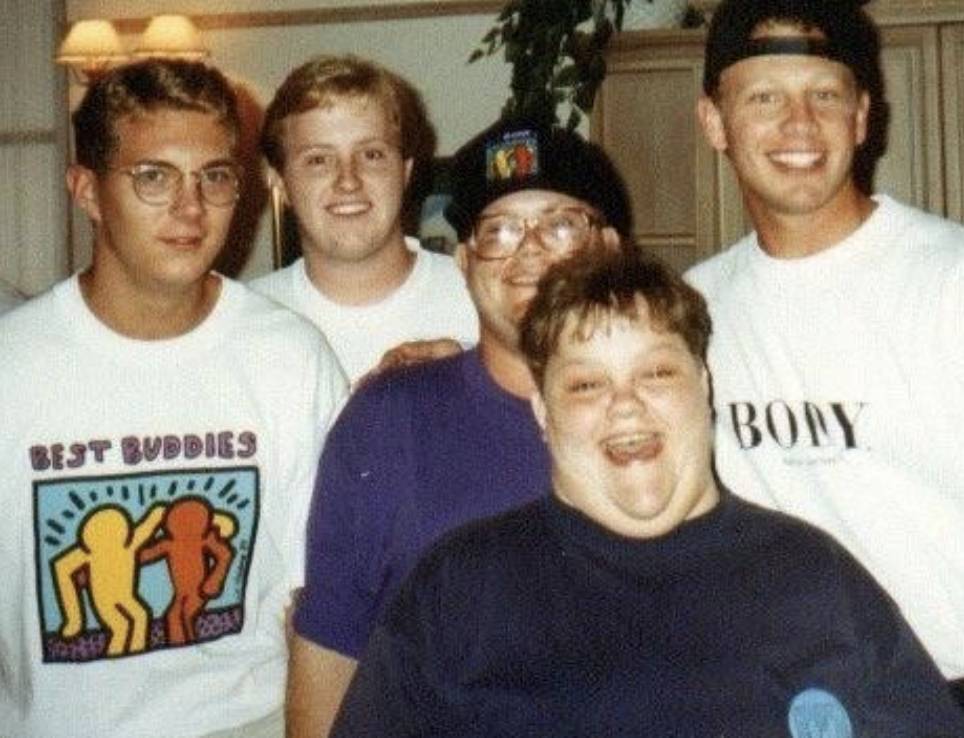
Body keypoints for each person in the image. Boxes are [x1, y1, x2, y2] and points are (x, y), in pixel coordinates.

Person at [328, 249, 964, 738]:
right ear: (543, 416)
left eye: (657, 372)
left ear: (706, 385)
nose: (625, 405)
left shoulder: (814, 576)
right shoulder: (459, 587)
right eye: (586, 385)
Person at [0, 59, 349, 738]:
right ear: (88, 191)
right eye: (154, 177)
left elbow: (322, 597)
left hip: (246, 720)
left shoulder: (290, 357)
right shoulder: (12, 367)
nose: (190, 209)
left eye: (214, 177)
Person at [687, 0, 964, 734]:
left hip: (958, 698)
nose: (799, 123)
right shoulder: (689, 311)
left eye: (825, 95)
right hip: (768, 699)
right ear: (713, 121)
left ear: (861, 117)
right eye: (763, 98)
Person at [287, 116, 629, 738]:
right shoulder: (387, 421)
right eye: (498, 229)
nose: (529, 251)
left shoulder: (665, 416)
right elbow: (329, 656)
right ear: (466, 262)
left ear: (607, 248)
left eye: (559, 224)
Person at [251, 54, 478, 385]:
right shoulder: (247, 320)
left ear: (406, 171)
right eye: (318, 160)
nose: (348, 180)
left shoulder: (481, 304)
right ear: (280, 182)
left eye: (371, 155)